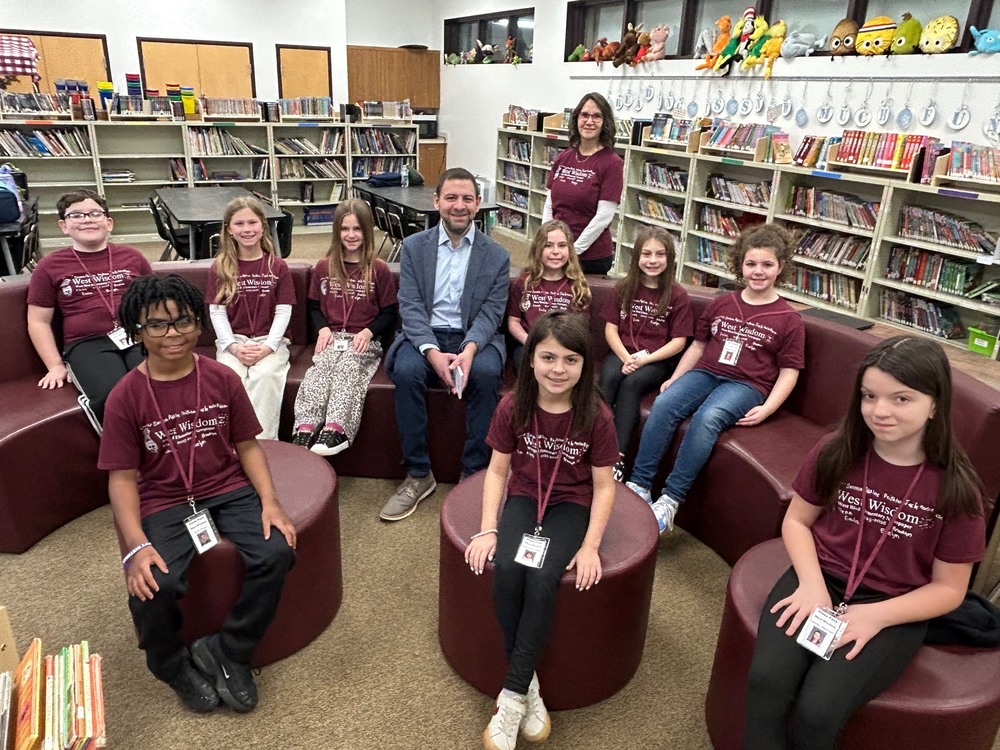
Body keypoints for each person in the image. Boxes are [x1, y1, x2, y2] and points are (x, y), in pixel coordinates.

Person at [744, 336, 986, 750]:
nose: (880, 411)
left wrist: (876, 616)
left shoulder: (957, 489)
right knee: (767, 682)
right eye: (869, 396)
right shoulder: (837, 450)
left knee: (818, 712)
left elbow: (949, 589)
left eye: (901, 399)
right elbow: (797, 522)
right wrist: (811, 584)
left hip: (895, 604)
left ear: (935, 404)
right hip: (819, 578)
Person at [98, 274, 297, 715]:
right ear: (137, 331)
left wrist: (271, 501)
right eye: (157, 325)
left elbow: (248, 445)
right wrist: (135, 546)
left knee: (276, 552)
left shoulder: (221, 377)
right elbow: (122, 479)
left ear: (198, 324)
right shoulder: (125, 396)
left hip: (226, 487)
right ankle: (170, 664)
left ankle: (229, 648)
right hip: (165, 499)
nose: (173, 334)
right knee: (155, 584)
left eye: (183, 321)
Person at [466, 311, 618, 750]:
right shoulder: (513, 405)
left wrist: (591, 546)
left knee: (544, 577)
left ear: (585, 365)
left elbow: (604, 486)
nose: (558, 369)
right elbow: (496, 471)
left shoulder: (597, 415)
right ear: (530, 358)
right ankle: (528, 686)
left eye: (571, 360)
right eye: (548, 357)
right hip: (524, 497)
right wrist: (487, 529)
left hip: (570, 504)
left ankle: (511, 699)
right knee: (508, 573)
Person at [625, 224, 805, 534]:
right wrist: (676, 378)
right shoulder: (722, 303)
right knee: (665, 403)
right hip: (706, 373)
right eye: (750, 264)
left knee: (708, 417)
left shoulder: (789, 319)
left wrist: (769, 407)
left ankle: (670, 499)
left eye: (767, 264)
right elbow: (699, 345)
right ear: (740, 266)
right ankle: (639, 484)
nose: (758, 271)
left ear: (781, 268)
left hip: (747, 385)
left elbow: (790, 371)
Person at [382, 167, 510, 522]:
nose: (459, 206)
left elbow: (491, 312)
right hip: (426, 336)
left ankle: (473, 475)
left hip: (474, 337)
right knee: (406, 372)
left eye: (467, 198)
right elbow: (409, 305)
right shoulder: (413, 247)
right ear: (436, 201)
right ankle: (418, 474)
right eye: (451, 197)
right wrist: (432, 352)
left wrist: (469, 350)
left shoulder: (497, 255)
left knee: (485, 374)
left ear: (478, 203)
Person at [26, 189, 152, 427]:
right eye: (76, 215)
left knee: (157, 383)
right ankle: (124, 454)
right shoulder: (49, 266)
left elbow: (154, 302)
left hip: (136, 335)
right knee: (111, 394)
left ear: (109, 222)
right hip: (86, 343)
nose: (87, 219)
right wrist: (54, 365)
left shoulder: (132, 257)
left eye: (95, 213)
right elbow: (38, 321)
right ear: (64, 225)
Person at [290, 199, 397, 456]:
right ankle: (305, 427)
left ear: (367, 232)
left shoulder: (379, 269)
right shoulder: (325, 267)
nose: (351, 235)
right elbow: (315, 307)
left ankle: (337, 429)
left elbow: (389, 312)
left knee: (348, 367)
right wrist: (323, 329)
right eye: (345, 229)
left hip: (364, 338)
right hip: (332, 336)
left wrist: (369, 331)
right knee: (321, 369)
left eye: (357, 229)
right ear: (337, 231)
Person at [598, 226, 693, 481]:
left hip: (657, 358)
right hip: (622, 352)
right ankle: (591, 443)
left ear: (669, 258)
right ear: (636, 257)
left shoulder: (677, 295)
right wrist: (626, 357)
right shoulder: (623, 288)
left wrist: (644, 359)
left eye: (660, 254)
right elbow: (611, 330)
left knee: (632, 384)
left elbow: (679, 342)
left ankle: (615, 458)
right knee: (607, 380)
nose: (652, 260)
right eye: (646, 254)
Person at [206, 196, 295, 440]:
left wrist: (267, 347)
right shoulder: (220, 267)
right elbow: (217, 311)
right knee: (229, 376)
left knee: (265, 376)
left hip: (270, 341)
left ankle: (264, 445)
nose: (247, 230)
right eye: (239, 224)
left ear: (263, 226)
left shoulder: (277, 266)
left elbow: (284, 310)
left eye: (252, 223)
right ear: (229, 230)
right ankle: (234, 443)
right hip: (233, 340)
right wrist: (233, 347)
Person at [543, 92, 624, 276]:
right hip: (557, 252)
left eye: (597, 116)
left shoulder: (612, 163)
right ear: (576, 119)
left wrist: (573, 251)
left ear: (605, 122)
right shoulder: (563, 157)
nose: (589, 121)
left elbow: (604, 216)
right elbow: (550, 204)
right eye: (584, 115)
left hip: (590, 258)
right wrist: (547, 242)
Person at [506, 219, 590, 369]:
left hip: (565, 347)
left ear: (570, 250)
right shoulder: (524, 282)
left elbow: (581, 327)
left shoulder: (577, 285)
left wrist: (560, 348)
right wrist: (530, 342)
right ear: (538, 249)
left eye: (562, 246)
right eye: (548, 245)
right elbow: (514, 322)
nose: (556, 252)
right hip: (529, 345)